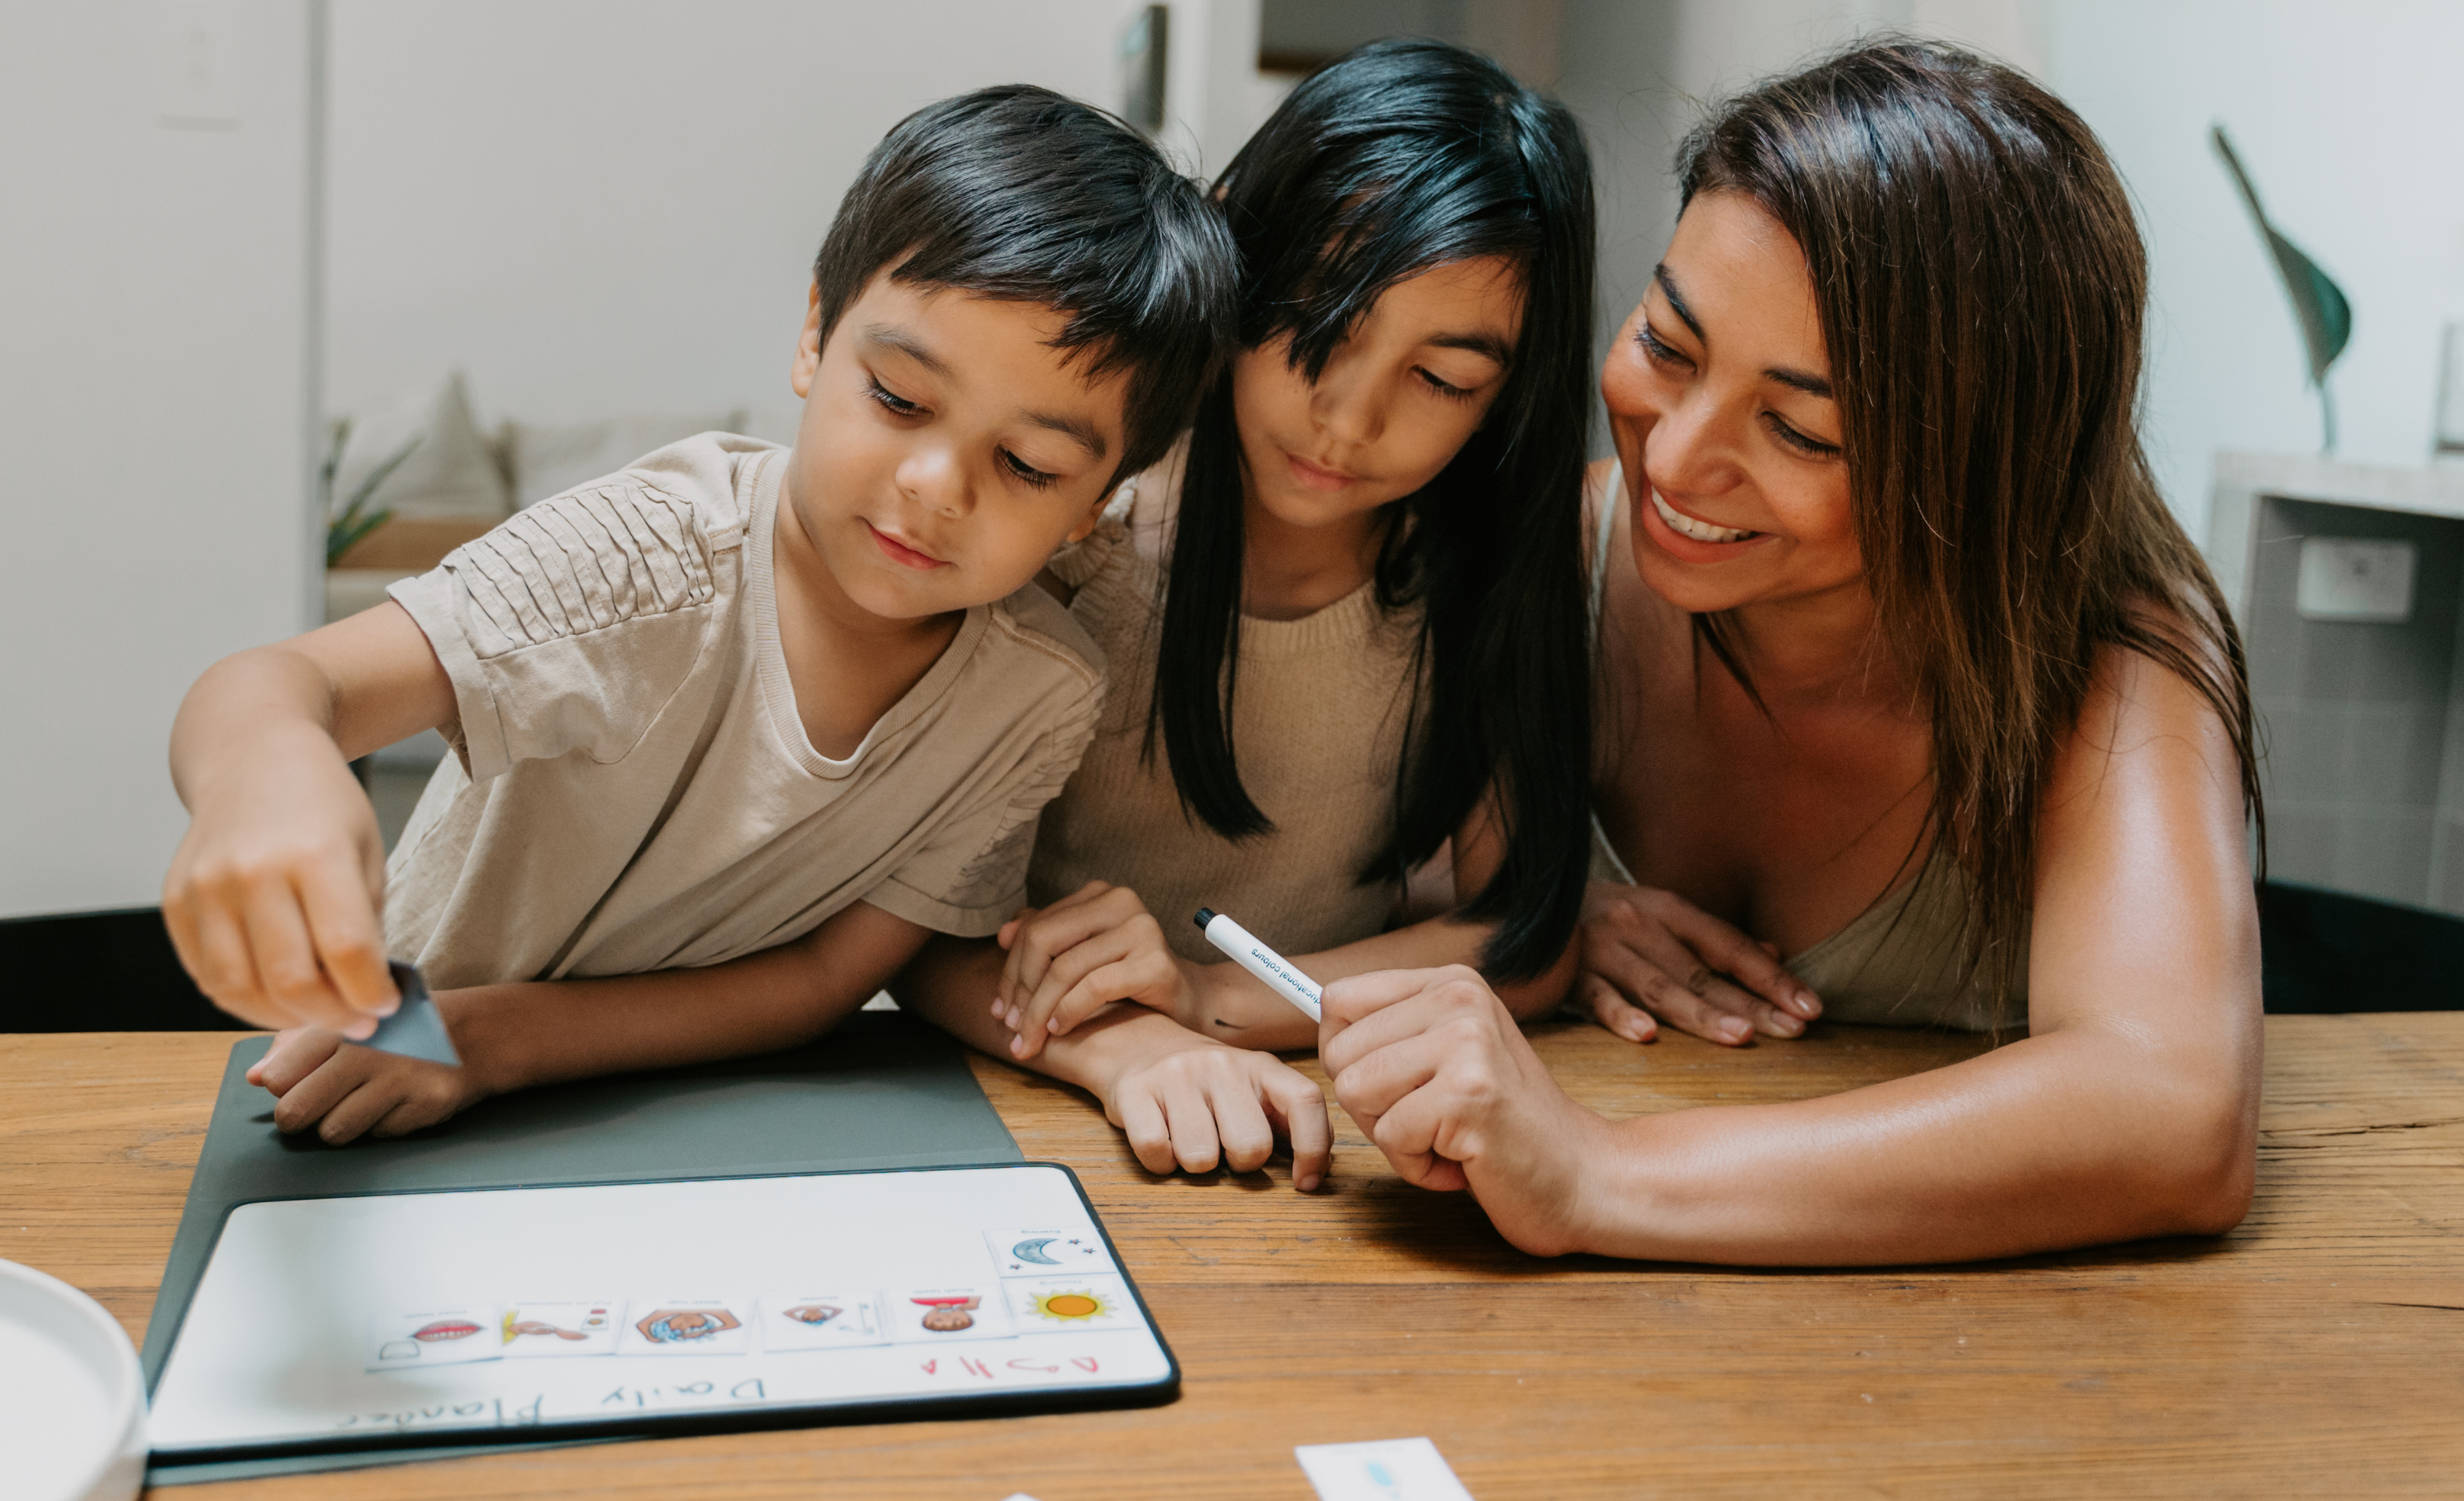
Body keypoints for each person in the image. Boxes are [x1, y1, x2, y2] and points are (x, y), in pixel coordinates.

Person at [1318, 41, 2266, 1264]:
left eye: (1801, 429)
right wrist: (1546, 905)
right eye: (1666, 345)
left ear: (1983, 472)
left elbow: (2172, 1113)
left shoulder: (2114, 647)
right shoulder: (1542, 558)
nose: (1671, 462)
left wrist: (1601, 1171)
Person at [158, 85, 1243, 1142]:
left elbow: (823, 980)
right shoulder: (648, 552)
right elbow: (276, 686)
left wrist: (495, 1043)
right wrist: (266, 778)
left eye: (1025, 463)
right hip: (384, 1073)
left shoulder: (1037, 694)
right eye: (902, 400)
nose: (936, 483)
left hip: (684, 1109)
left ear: (1088, 511)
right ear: (817, 332)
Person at [892, 39, 1598, 1192]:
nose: (1347, 418)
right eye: (1321, 316)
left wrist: (1212, 995)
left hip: (1296, 1126)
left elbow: (1520, 940)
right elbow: (905, 924)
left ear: (1510, 393)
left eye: (1443, 379)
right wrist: (1129, 1043)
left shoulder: (1472, 577)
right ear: (1230, 250)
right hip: (1013, 1101)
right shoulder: (1074, 518)